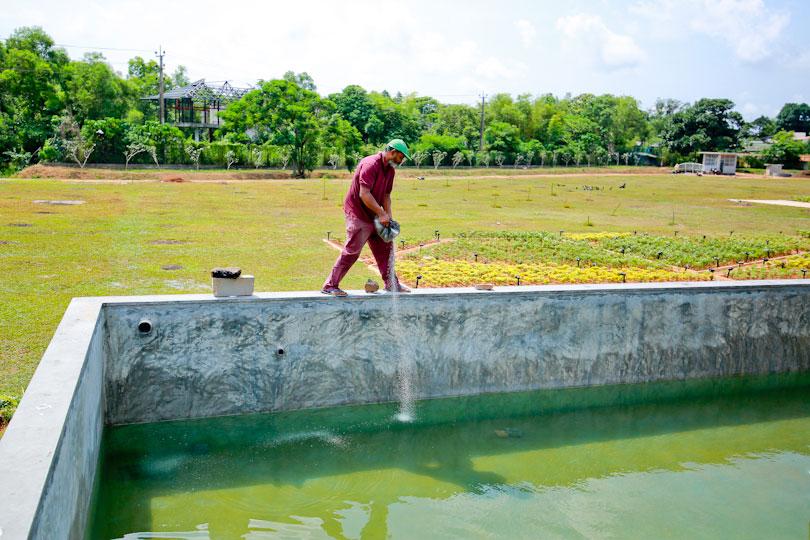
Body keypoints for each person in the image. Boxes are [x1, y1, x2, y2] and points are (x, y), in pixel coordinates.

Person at [322, 139, 413, 297]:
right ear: (393, 152)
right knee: (352, 250)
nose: (401, 161)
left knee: (386, 248)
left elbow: (386, 195)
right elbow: (364, 194)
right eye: (401, 157)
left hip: (375, 214)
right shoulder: (370, 164)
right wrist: (381, 213)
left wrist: (388, 217)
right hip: (358, 213)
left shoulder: (390, 171)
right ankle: (330, 286)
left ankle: (392, 284)